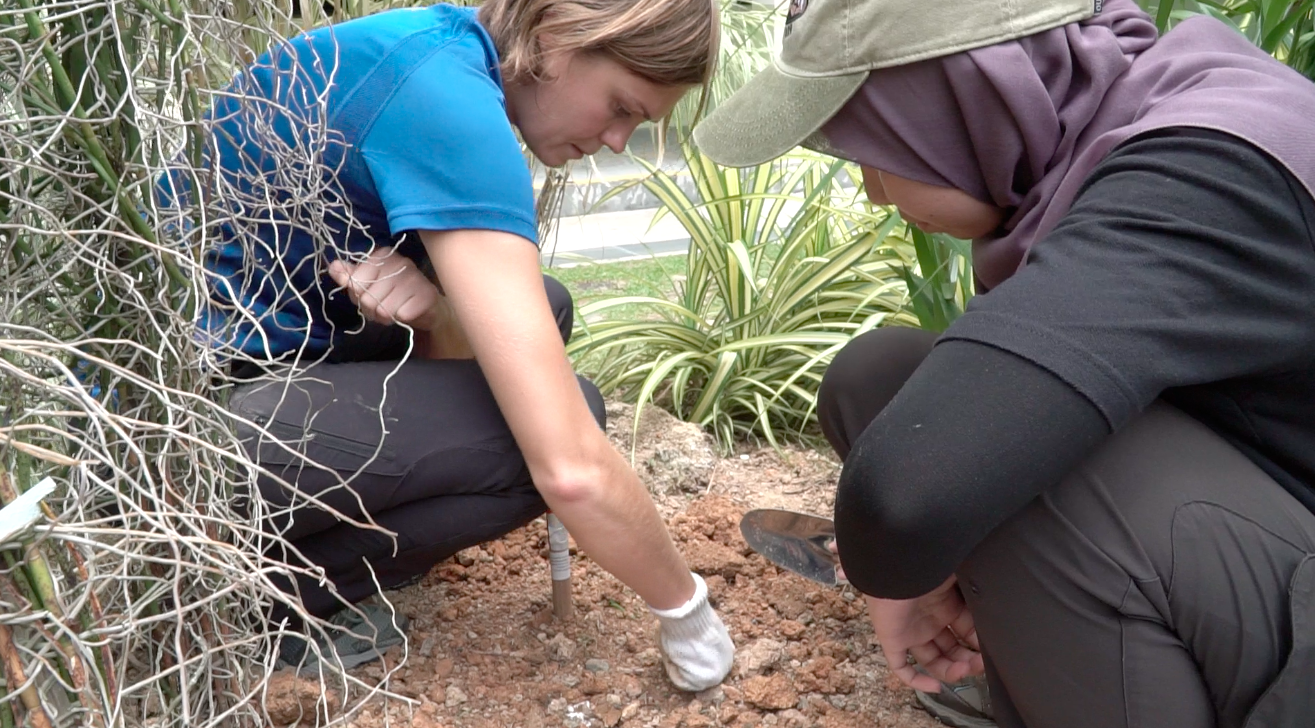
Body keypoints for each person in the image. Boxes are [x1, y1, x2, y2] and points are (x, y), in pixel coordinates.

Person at [693, 0, 1315, 725]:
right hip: (1264, 502)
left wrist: (896, 579)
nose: (872, 191)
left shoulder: (1210, 169)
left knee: (1006, 470)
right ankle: (1036, 658)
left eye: (874, 147)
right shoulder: (1122, 120)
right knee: (886, 376)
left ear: (966, 105)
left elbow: (909, 496)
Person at [157, 0, 735, 689]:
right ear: (554, 36)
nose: (617, 139)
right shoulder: (446, 104)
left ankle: (283, 566)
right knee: (544, 435)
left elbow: (459, 351)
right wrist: (686, 611)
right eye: (621, 107)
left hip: (254, 367)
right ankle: (253, 602)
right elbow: (571, 469)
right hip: (174, 438)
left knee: (541, 310)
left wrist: (431, 316)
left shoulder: (431, 45)